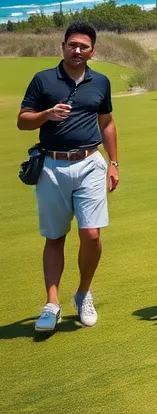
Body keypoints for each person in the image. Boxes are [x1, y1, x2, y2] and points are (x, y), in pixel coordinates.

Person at [18, 23, 120, 334]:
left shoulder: (100, 82)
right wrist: (45, 115)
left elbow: (107, 123)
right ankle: (52, 303)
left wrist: (114, 163)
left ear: (93, 51)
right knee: (55, 237)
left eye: (84, 47)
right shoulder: (44, 80)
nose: (77, 51)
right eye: (72, 45)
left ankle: (82, 293)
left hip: (90, 163)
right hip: (52, 165)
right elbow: (23, 121)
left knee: (92, 236)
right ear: (63, 46)